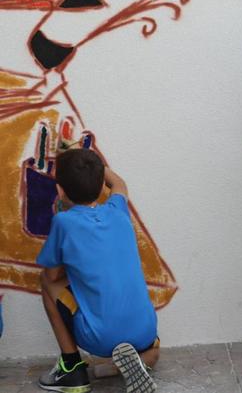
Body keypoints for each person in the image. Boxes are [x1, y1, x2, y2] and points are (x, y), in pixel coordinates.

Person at [36, 149, 159, 393]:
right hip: (146, 330)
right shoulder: (118, 209)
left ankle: (72, 368)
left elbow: (52, 275)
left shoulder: (64, 222)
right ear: (102, 183)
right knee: (154, 349)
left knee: (46, 283)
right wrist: (91, 166)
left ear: (60, 190)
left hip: (100, 338)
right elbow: (120, 183)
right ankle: (131, 363)